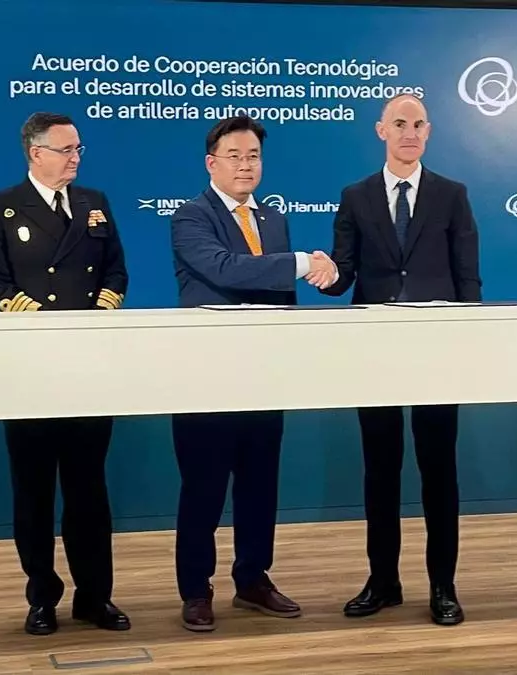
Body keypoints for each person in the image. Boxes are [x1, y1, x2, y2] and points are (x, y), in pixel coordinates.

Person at [168, 114, 336, 632]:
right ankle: (196, 590)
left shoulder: (273, 220)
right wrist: (303, 262)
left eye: (254, 156)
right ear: (211, 163)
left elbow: (280, 296)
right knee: (203, 488)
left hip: (264, 376)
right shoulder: (190, 217)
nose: (246, 165)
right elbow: (225, 269)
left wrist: (322, 276)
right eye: (235, 156)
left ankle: (253, 579)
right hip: (207, 377)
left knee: (260, 484)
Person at [319, 93, 481, 626]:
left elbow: (468, 279)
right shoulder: (356, 196)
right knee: (381, 471)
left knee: (439, 472)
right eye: (400, 123)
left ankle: (443, 587)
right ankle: (383, 582)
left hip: (437, 353)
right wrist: (325, 273)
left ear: (428, 132)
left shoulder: (452, 195)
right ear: (381, 130)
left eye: (418, 124)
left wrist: (467, 343)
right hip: (377, 354)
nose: (409, 132)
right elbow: (344, 274)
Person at [0, 112, 130, 636]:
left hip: (88, 365)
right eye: (66, 149)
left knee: (89, 490)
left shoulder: (93, 203)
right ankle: (42, 596)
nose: (75, 158)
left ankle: (95, 596)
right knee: (34, 491)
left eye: (78, 149)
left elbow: (116, 270)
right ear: (35, 153)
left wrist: (97, 315)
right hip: (30, 368)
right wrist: (46, 327)